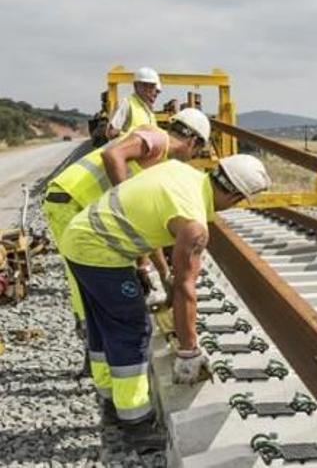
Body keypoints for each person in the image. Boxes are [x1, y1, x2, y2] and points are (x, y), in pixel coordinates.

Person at [59, 154, 271, 453]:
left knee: (102, 324)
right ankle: (136, 423)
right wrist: (188, 350)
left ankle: (110, 402)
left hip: (77, 237)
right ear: (236, 196)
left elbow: (150, 226)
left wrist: (161, 273)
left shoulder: (179, 172)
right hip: (99, 253)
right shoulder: (194, 226)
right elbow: (187, 287)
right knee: (132, 329)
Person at [43, 109, 211, 340]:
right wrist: (124, 201)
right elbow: (113, 155)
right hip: (69, 199)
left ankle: (95, 342)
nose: (192, 159)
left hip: (75, 201)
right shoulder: (159, 140)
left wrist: (157, 272)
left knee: (92, 276)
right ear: (193, 141)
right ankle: (92, 342)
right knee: (82, 276)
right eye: (198, 152)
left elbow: (142, 227)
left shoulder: (158, 160)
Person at [106, 67, 161, 139]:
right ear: (135, 86)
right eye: (144, 85)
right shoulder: (127, 103)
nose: (148, 89)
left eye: (152, 86)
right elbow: (111, 132)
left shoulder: (149, 111)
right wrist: (133, 138)